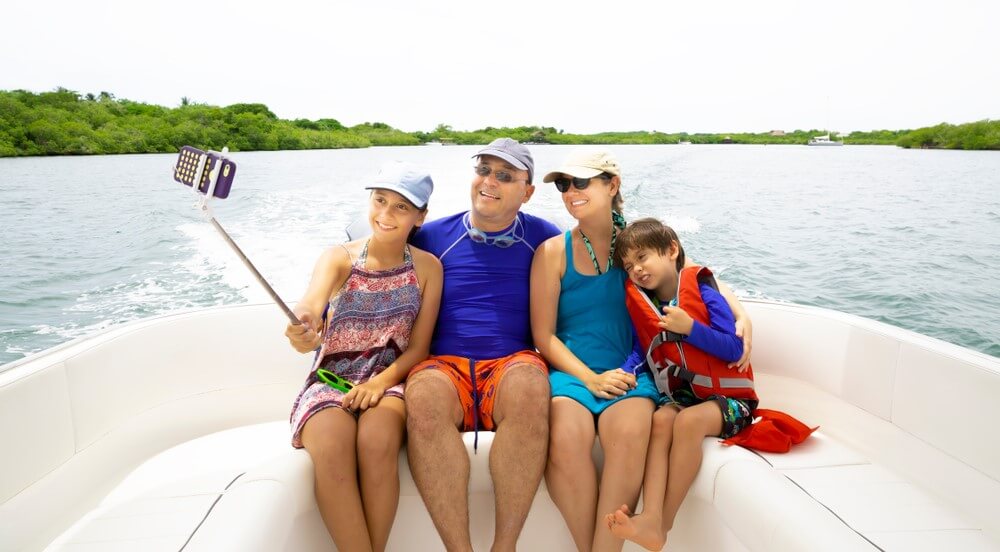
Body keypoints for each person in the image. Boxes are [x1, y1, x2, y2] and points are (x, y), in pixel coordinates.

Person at [404, 138, 561, 552]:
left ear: (527, 192)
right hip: (443, 365)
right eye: (484, 170)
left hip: (512, 364)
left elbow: (621, 257)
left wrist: (714, 288)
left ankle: (504, 547)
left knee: (531, 386)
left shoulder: (546, 240)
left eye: (505, 176)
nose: (490, 181)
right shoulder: (431, 236)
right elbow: (366, 263)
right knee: (421, 398)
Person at [285, 164, 443, 552]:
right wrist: (301, 328)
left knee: (376, 442)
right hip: (331, 380)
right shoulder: (338, 259)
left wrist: (378, 383)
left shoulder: (428, 268)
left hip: (387, 380)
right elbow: (310, 305)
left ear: (420, 217)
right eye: (380, 201)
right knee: (335, 447)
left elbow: (419, 348)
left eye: (401, 208)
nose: (386, 215)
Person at [530, 147, 664, 552]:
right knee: (565, 437)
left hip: (629, 372)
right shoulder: (552, 252)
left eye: (581, 182)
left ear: (613, 186)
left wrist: (737, 311)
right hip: (571, 374)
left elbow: (689, 279)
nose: (571, 192)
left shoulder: (639, 246)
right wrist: (589, 378)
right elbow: (544, 336)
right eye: (564, 185)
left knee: (628, 432)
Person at [605, 218, 758, 551]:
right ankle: (650, 515)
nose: (637, 270)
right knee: (661, 419)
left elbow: (733, 347)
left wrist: (689, 327)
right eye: (629, 266)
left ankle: (662, 524)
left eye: (643, 257)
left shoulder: (702, 291)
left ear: (671, 249)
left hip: (733, 403)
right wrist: (627, 370)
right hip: (688, 396)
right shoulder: (644, 304)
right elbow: (643, 349)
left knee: (687, 421)